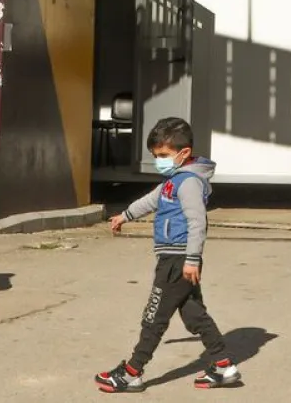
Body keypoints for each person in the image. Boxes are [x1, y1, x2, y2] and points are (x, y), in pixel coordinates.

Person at [97, 117, 242, 393]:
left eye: (163, 155)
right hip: (176, 258)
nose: (159, 161)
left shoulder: (188, 182)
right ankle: (224, 366)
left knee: (154, 316)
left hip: (178, 259)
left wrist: (192, 259)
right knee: (195, 315)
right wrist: (125, 215)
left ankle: (132, 372)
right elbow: (151, 201)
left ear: (183, 153)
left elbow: (197, 222)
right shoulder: (173, 180)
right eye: (155, 156)